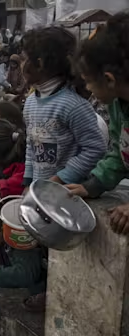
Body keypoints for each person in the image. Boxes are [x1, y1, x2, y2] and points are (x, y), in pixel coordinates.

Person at [66, 13, 129, 235]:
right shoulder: (118, 105)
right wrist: (93, 186)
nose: (89, 90)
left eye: (89, 82)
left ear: (109, 79)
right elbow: (119, 153)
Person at [21, 26, 106, 187]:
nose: (21, 63)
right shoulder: (31, 102)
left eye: (24, 58)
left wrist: (61, 178)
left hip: (66, 193)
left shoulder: (73, 105)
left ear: (39, 63)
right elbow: (31, 145)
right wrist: (28, 180)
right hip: (42, 190)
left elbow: (94, 149)